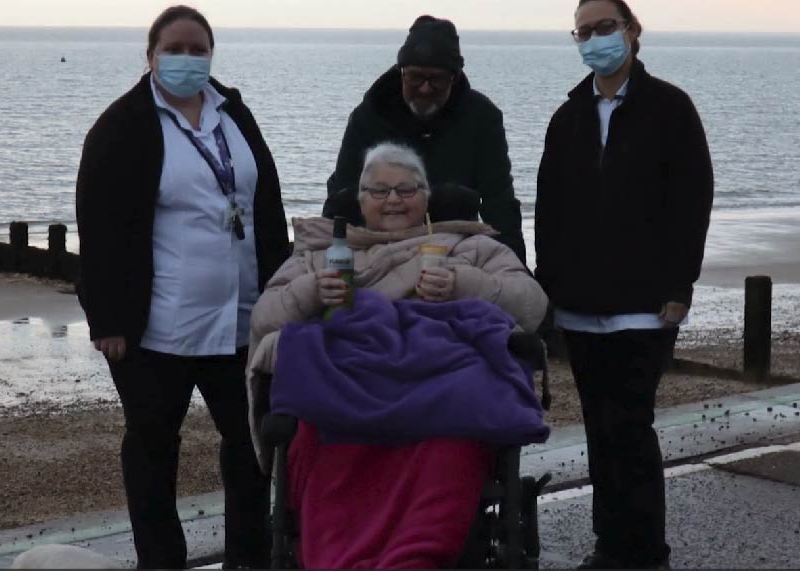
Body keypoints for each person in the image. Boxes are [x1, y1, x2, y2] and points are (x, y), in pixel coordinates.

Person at [248, 143, 549, 569]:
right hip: (348, 396)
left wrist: (464, 283)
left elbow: (532, 305)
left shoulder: (469, 246)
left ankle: (415, 557)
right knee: (319, 433)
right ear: (360, 200)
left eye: (406, 190)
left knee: (454, 434)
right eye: (379, 191)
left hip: (436, 396)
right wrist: (310, 292)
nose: (393, 200)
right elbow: (264, 318)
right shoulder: (321, 253)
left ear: (427, 197)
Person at [75, 5, 290, 569]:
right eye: (176, 48)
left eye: (199, 49)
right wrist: (108, 321)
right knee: (152, 452)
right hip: (157, 327)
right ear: (150, 56)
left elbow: (266, 207)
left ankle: (248, 558)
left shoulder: (233, 112)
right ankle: (161, 561)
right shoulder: (123, 125)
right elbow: (98, 227)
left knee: (250, 447)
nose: (188, 59)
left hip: (241, 318)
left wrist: (282, 290)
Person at [534, 0, 714, 569]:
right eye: (583, 32)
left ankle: (645, 552)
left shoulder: (670, 109)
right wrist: (550, 288)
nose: (594, 39)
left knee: (631, 428)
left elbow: (692, 200)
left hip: (645, 306)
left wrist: (679, 285)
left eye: (604, 27)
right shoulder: (568, 118)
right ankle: (609, 545)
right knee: (598, 429)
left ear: (633, 32)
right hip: (579, 308)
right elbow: (550, 209)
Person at [323, 15, 527, 263]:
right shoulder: (369, 115)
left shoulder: (483, 118)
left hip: (455, 251)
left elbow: (500, 201)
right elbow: (342, 194)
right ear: (401, 73)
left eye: (437, 79)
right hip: (376, 249)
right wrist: (329, 253)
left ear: (454, 77)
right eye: (415, 77)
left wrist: (515, 266)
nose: (425, 89)